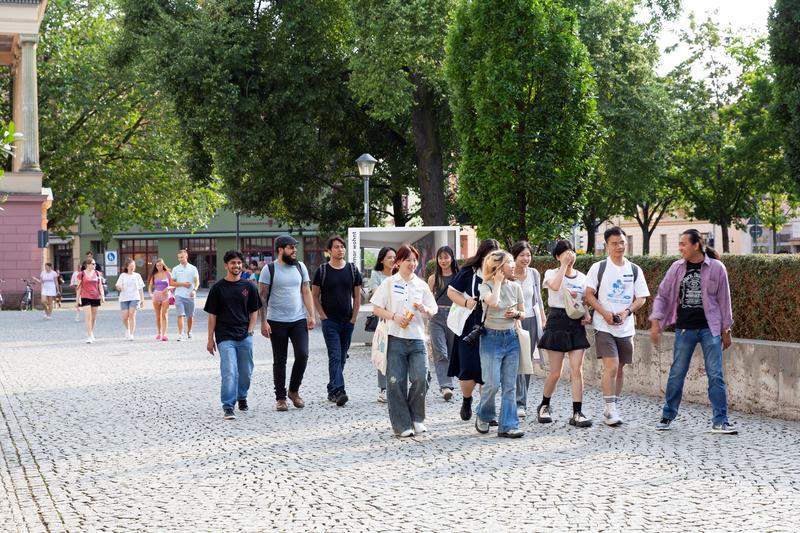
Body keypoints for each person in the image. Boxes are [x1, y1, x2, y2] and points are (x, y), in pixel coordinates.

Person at [650, 229, 737, 434]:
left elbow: (725, 300)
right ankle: (667, 415)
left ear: (696, 245)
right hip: (684, 329)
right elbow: (662, 295)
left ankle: (720, 420)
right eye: (679, 244)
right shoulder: (677, 268)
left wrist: (727, 329)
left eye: (683, 244)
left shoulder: (716, 267)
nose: (680, 248)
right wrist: (656, 321)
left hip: (711, 328)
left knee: (715, 374)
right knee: (677, 373)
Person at [584, 227, 650, 427]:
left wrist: (626, 312)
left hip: (626, 327)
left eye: (622, 242)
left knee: (620, 368)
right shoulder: (599, 268)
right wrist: (604, 314)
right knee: (611, 365)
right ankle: (611, 410)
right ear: (606, 245)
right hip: (603, 326)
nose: (619, 246)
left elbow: (641, 298)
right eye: (614, 243)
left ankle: (611, 405)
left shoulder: (634, 269)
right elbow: (588, 294)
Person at [370, 244, 437, 437]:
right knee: (395, 381)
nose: (412, 263)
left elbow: (433, 309)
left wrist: (425, 310)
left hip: (417, 338)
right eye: (408, 260)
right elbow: (376, 307)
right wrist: (394, 317)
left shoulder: (421, 284)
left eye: (414, 260)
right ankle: (401, 424)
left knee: (420, 378)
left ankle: (417, 418)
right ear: (398, 262)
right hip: (395, 338)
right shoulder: (390, 283)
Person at [536, 240, 593, 428]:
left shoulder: (582, 277)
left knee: (577, 369)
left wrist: (586, 314)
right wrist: (563, 266)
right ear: (557, 256)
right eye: (565, 252)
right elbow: (553, 286)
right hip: (557, 320)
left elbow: (584, 300)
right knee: (556, 372)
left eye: (572, 251)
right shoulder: (551, 273)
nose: (570, 255)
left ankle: (577, 412)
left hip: (576, 323)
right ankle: (544, 405)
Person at [258, 235, 316, 412]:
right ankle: (280, 398)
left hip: (298, 319)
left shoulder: (300, 267)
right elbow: (262, 296)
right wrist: (264, 322)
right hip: (276, 320)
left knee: (302, 354)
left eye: (295, 247)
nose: (294, 250)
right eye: (290, 248)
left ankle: (293, 390)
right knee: (280, 360)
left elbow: (306, 291)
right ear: (280, 249)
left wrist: (311, 315)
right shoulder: (269, 269)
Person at [205, 250, 263, 420]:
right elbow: (212, 315)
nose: (236, 266)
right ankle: (228, 406)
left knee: (245, 372)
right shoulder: (218, 288)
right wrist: (210, 339)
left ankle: (242, 396)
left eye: (238, 263)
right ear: (226, 266)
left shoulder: (249, 286)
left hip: (245, 335)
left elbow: (254, 311)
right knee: (229, 371)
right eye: (233, 263)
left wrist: (251, 329)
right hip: (225, 337)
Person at [447, 239, 500, 421]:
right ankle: (467, 400)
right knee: (468, 368)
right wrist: (467, 302)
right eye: (488, 255)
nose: (490, 259)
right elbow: (451, 291)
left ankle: (485, 411)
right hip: (469, 324)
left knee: (487, 371)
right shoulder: (469, 272)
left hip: (493, 324)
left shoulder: (500, 275)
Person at [475, 250, 526, 438]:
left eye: (513, 262)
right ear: (498, 267)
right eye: (509, 262)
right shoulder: (485, 286)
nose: (513, 265)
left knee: (510, 385)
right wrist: (497, 282)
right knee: (492, 384)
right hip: (490, 339)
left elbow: (524, 312)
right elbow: (494, 303)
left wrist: (516, 315)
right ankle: (484, 413)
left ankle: (508, 425)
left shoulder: (516, 287)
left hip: (511, 337)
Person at [312, 236, 363, 407]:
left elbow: (357, 297)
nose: (340, 249)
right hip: (330, 322)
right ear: (329, 250)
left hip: (347, 321)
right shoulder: (322, 271)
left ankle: (332, 388)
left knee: (341, 358)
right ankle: (340, 390)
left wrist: (354, 318)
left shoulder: (353, 270)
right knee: (335, 355)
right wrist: (322, 316)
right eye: (336, 247)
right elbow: (314, 296)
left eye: (342, 247)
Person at [511, 242, 546, 418]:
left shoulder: (533, 273)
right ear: (514, 256)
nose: (526, 259)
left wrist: (543, 319)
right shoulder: (508, 273)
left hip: (531, 320)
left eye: (528, 255)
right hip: (513, 321)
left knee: (527, 361)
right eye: (522, 255)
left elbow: (538, 299)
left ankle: (521, 402)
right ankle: (516, 401)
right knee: (516, 360)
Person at [427, 245, 458, 401]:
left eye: (446, 257)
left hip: (454, 316)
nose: (443, 261)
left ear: (452, 258)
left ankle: (450, 380)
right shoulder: (433, 278)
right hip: (437, 316)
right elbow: (427, 298)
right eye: (440, 257)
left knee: (452, 352)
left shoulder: (458, 276)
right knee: (441, 352)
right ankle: (445, 386)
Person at [369, 246, 396, 403]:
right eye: (389, 257)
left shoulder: (401, 275)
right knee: (383, 352)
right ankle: (383, 388)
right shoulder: (376, 275)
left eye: (394, 257)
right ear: (382, 260)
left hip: (399, 320)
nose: (393, 260)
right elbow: (376, 295)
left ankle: (396, 387)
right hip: (384, 321)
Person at [171, 250, 200, 341]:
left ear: (186, 256)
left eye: (182, 257)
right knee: (180, 315)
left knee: (190, 316)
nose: (180, 259)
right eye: (179, 257)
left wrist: (194, 290)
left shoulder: (193, 268)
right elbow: (172, 282)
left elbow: (196, 281)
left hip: (190, 296)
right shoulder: (175, 269)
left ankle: (189, 331)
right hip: (179, 295)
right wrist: (183, 284)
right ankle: (180, 334)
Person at [76, 258, 105, 343]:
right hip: (85, 296)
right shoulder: (81, 274)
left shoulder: (97, 273)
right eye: (93, 264)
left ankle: (91, 332)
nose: (94, 265)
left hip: (95, 296)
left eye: (95, 264)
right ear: (87, 265)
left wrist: (102, 295)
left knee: (93, 318)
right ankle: (89, 336)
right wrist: (77, 300)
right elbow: (78, 288)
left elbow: (100, 285)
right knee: (88, 316)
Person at [115, 258, 145, 340]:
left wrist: (142, 300)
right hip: (124, 298)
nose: (132, 268)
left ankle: (131, 334)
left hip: (134, 298)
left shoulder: (137, 276)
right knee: (125, 317)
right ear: (127, 267)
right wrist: (120, 287)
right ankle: (127, 329)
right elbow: (117, 286)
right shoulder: (123, 275)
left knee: (131, 315)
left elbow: (140, 288)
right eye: (131, 266)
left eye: (133, 266)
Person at [148, 258, 172, 341]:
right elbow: (150, 286)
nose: (159, 267)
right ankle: (159, 333)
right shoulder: (154, 275)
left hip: (166, 296)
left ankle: (164, 334)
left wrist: (168, 288)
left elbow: (173, 284)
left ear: (163, 265)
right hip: (156, 295)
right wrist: (150, 293)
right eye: (157, 265)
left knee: (164, 315)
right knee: (158, 316)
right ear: (156, 266)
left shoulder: (168, 273)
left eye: (161, 265)